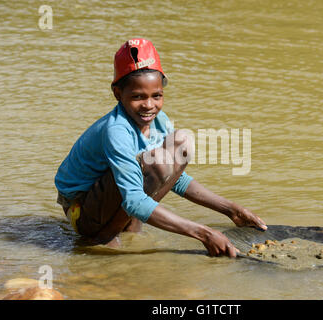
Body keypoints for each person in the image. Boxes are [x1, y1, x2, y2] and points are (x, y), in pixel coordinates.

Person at [55, 38, 267, 257]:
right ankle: (103, 236)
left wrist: (231, 209)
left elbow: (174, 178)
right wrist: (204, 233)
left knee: (180, 142)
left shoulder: (159, 120)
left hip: (116, 195)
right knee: (156, 162)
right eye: (137, 97)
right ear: (118, 94)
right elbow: (135, 198)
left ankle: (128, 227)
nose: (148, 105)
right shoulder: (116, 130)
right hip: (82, 211)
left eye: (156, 96)